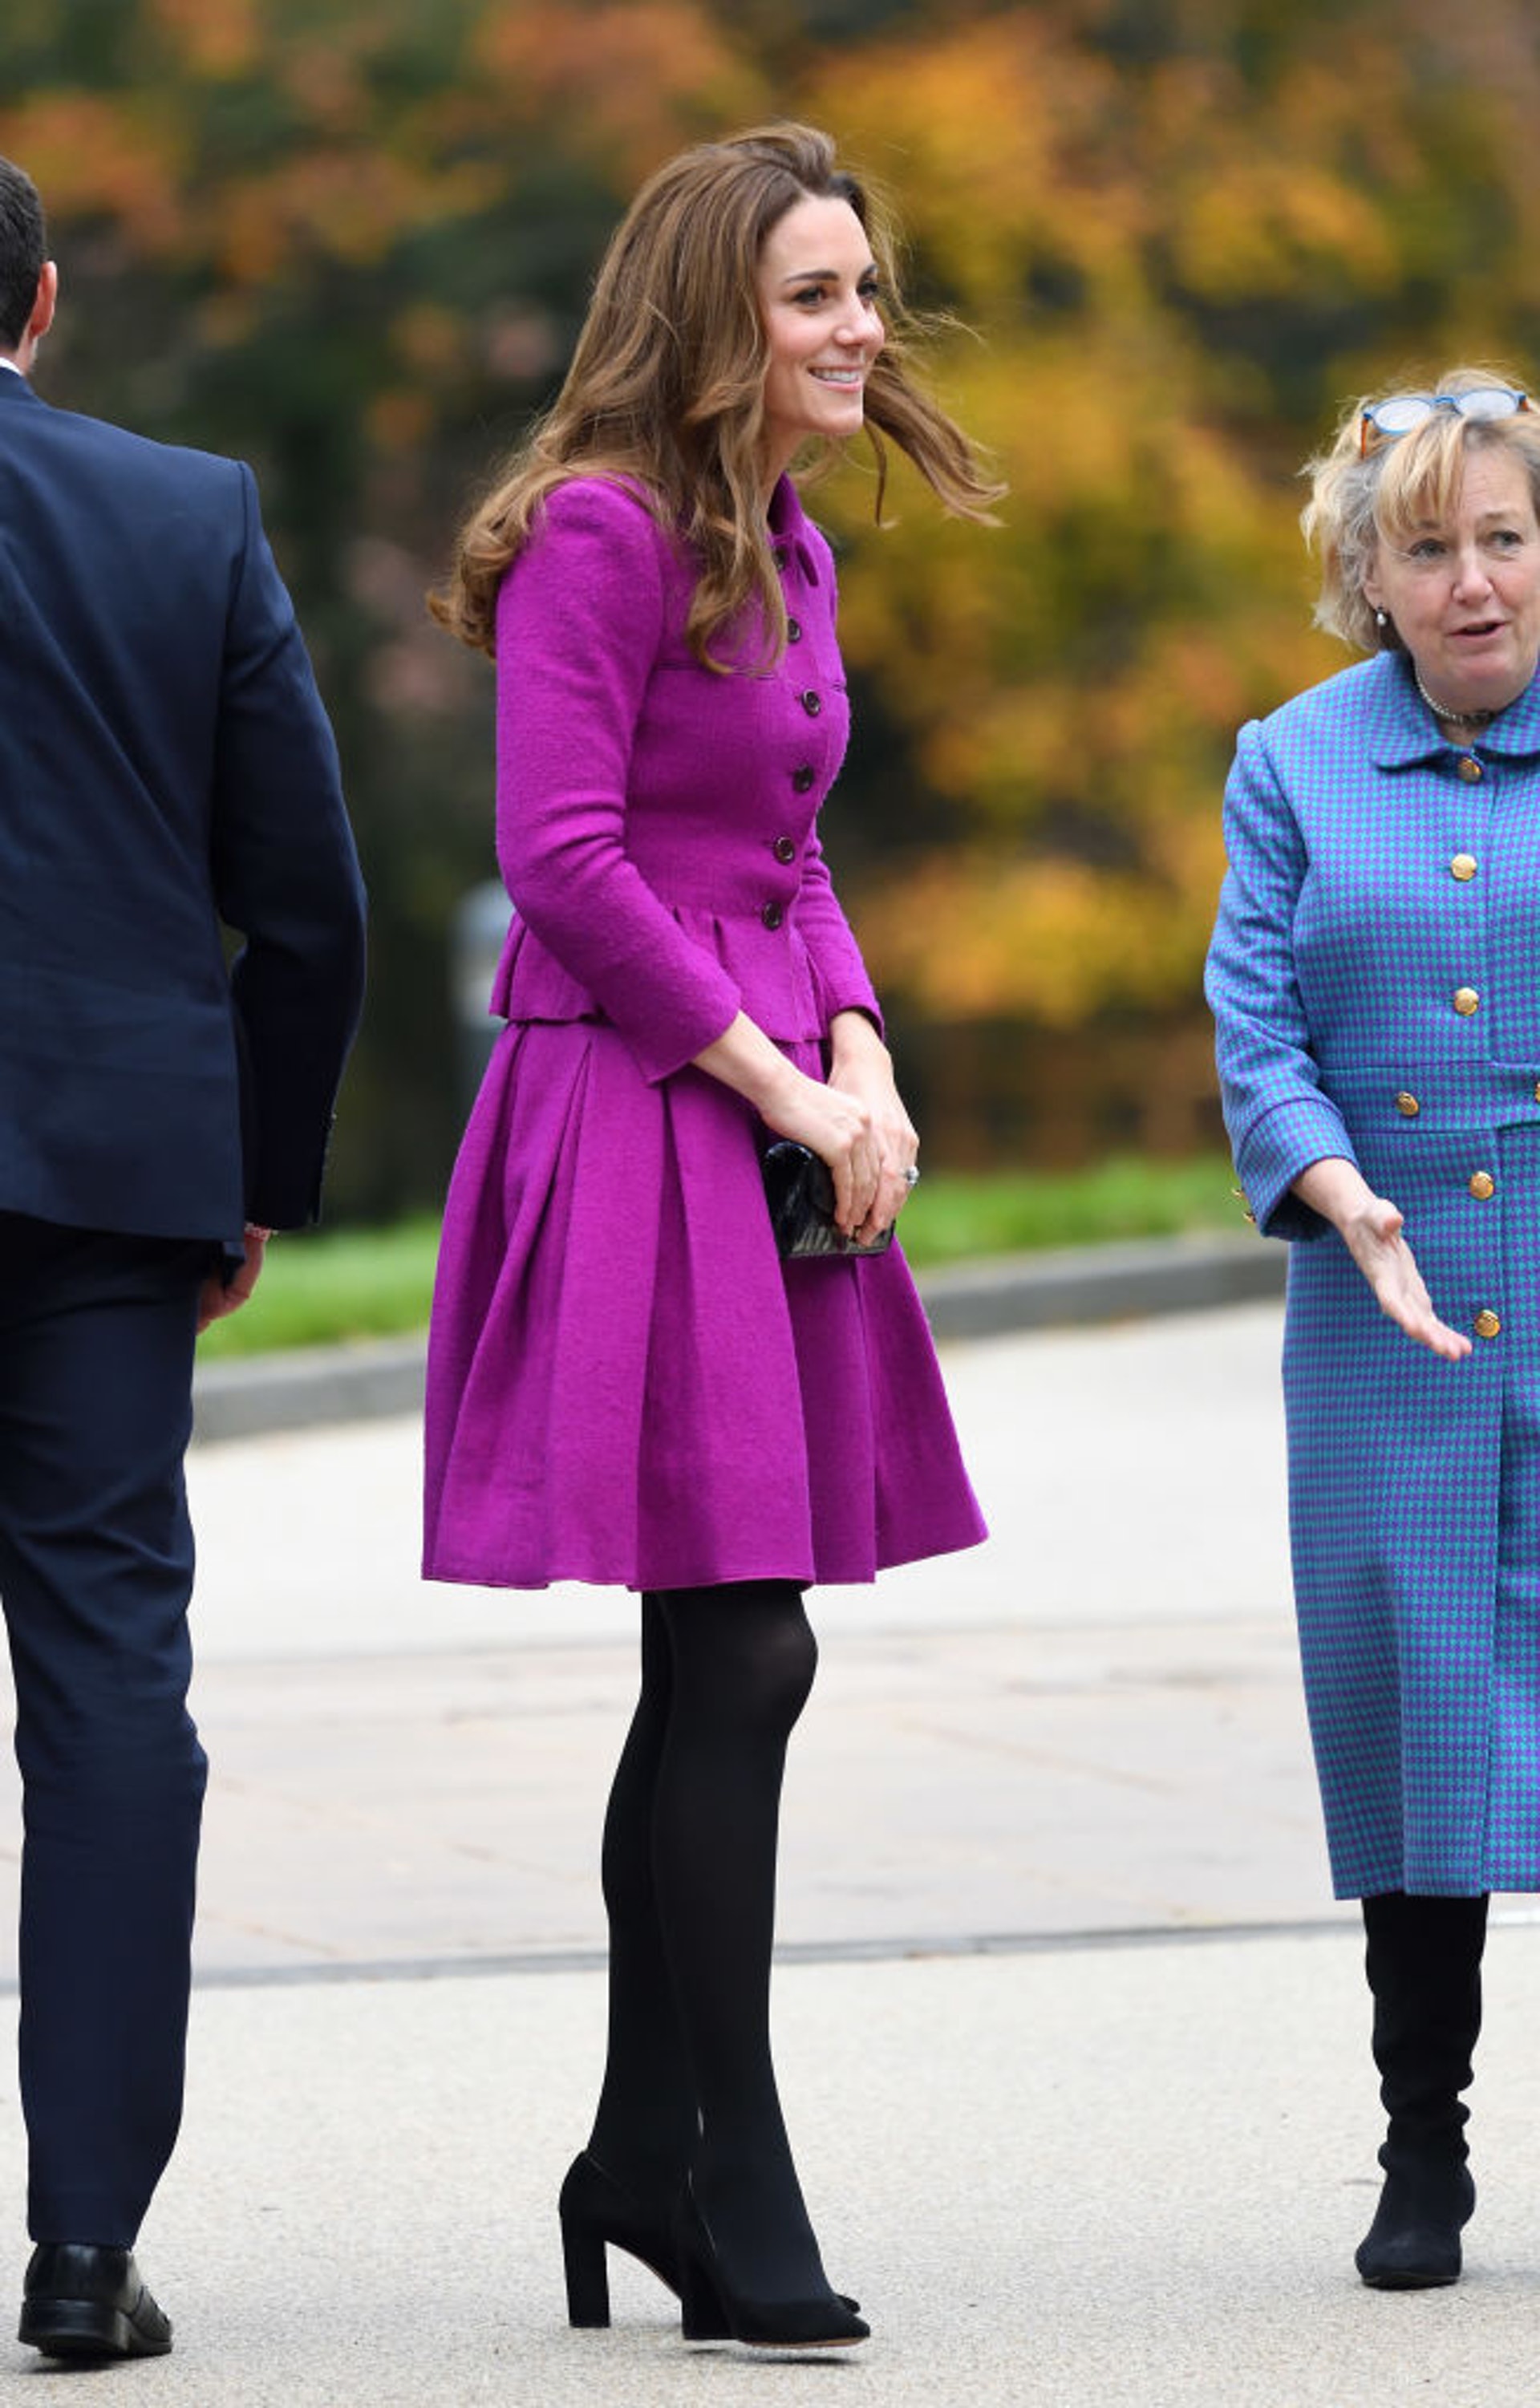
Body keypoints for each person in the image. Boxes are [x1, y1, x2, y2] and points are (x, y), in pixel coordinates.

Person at [424, 122, 995, 2352]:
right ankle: (708, 2157)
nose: (865, 328)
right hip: (638, 1117)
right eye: (820, 295)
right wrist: (775, 1079)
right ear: (712, 318)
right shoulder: (599, 536)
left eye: (867, 289)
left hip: (766, 1121)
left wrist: (866, 1040)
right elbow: (564, 858)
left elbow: (786, 848)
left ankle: (644, 2150)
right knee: (739, 1642)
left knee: (731, 1644)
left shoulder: (787, 549)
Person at [0, 158, 366, 2357]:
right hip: (111, 1184)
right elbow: (304, 895)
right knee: (112, 1691)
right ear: (40, 304)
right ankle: (79, 2245)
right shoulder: (183, 514)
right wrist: (252, 1169)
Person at [1205, 367, 1540, 2292]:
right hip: (1384, 1302)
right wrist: (1340, 1193)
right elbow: (1257, 1024)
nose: (1474, 581)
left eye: (1503, 536)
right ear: (1369, 571)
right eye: (1431, 546)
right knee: (1415, 1715)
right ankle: (1427, 2146)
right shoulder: (1291, 758)